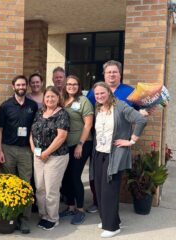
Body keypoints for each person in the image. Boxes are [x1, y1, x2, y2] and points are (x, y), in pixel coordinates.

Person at [86, 60, 147, 214]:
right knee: (96, 174)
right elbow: (88, 111)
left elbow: (141, 114)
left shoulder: (130, 91)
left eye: (114, 72)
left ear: (120, 74)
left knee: (111, 178)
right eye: (108, 72)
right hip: (98, 141)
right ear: (104, 74)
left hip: (118, 143)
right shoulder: (95, 91)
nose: (111, 74)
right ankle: (97, 202)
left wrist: (133, 138)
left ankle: (110, 210)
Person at [92, 82, 147, 238]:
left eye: (102, 93)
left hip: (114, 154)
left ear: (109, 92)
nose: (99, 96)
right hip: (99, 153)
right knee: (101, 189)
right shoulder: (98, 108)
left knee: (109, 191)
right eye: (97, 94)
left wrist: (131, 141)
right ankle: (109, 219)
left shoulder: (120, 106)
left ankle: (112, 227)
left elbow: (141, 120)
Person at [0, 75, 38, 234]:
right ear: (13, 86)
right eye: (18, 84)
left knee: (26, 184)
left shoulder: (33, 106)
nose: (21, 87)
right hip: (8, 148)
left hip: (26, 150)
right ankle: (11, 215)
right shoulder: (5, 106)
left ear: (27, 86)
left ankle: (25, 219)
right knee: (9, 183)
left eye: (23, 84)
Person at [30, 86, 70, 230]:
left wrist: (46, 153)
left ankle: (53, 218)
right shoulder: (40, 112)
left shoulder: (62, 114)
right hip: (38, 156)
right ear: (44, 98)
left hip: (56, 157)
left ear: (58, 98)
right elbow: (31, 132)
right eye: (47, 96)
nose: (50, 99)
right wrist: (34, 149)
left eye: (53, 96)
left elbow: (61, 136)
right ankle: (43, 215)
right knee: (40, 187)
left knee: (51, 189)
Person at [60, 75, 94, 225]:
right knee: (66, 177)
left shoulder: (83, 101)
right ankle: (71, 206)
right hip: (66, 145)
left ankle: (80, 210)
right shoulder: (62, 100)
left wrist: (80, 144)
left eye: (74, 84)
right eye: (69, 84)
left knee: (75, 176)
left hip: (81, 144)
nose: (71, 86)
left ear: (79, 86)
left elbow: (88, 125)